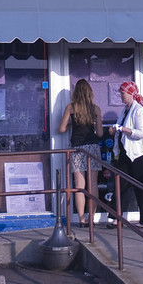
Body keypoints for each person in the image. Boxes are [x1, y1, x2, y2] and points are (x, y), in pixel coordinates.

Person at [106, 81, 143, 229]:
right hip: (124, 153)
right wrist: (115, 130)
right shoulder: (125, 110)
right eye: (120, 92)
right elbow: (121, 128)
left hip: (138, 154)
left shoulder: (139, 110)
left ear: (131, 93)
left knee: (141, 186)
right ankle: (116, 217)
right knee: (120, 185)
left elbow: (141, 133)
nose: (120, 95)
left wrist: (123, 129)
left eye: (122, 93)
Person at [58, 79, 103, 228]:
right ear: (90, 92)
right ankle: (92, 218)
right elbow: (100, 133)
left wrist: (72, 123)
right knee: (93, 185)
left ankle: (82, 219)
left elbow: (61, 129)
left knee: (79, 186)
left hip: (77, 148)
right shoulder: (95, 109)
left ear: (76, 92)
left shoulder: (71, 108)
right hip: (93, 147)